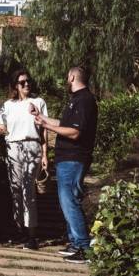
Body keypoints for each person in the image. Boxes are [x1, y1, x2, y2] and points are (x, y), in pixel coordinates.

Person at [0, 70, 48, 250]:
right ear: (15, 85)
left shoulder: (38, 102)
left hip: (32, 147)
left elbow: (44, 129)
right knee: (15, 190)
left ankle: (32, 236)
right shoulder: (8, 105)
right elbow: (1, 130)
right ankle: (19, 230)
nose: (27, 85)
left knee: (28, 190)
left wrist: (45, 154)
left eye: (28, 81)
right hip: (13, 148)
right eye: (22, 82)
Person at [30, 65, 97, 264]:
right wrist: (41, 118)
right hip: (67, 158)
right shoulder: (76, 100)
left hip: (73, 158)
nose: (66, 80)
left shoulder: (84, 100)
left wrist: (46, 126)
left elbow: (75, 132)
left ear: (72, 76)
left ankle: (83, 247)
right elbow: (64, 124)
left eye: (67, 76)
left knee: (70, 201)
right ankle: (76, 242)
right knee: (67, 201)